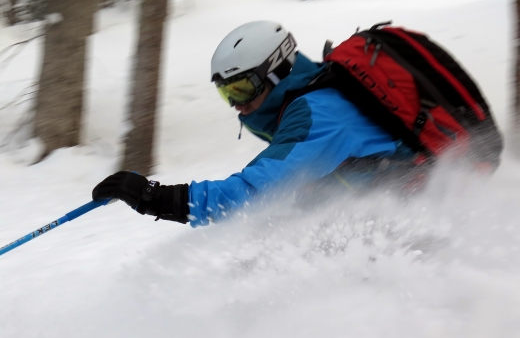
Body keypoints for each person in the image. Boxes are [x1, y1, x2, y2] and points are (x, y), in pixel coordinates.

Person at [92, 21, 416, 226]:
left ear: (277, 73)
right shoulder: (306, 101)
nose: (238, 104)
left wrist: (155, 197)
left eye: (242, 88)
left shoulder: (317, 115)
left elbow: (250, 191)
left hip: (412, 216)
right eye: (226, 93)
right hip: (375, 209)